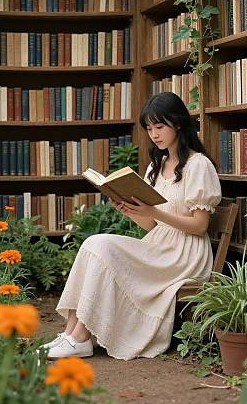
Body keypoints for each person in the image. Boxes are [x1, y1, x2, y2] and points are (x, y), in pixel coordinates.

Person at [43, 91, 222, 360]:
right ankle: (72, 333)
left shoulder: (198, 165)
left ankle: (80, 338)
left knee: (101, 245)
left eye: (159, 127)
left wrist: (154, 212)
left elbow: (199, 225)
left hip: (184, 255)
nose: (154, 134)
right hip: (159, 245)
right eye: (149, 128)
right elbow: (151, 224)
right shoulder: (157, 166)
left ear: (179, 124)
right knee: (94, 243)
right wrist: (128, 208)